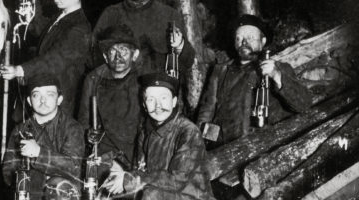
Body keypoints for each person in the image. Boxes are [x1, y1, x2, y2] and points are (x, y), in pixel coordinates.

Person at [196, 15, 313, 148]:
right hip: (225, 150)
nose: (244, 42)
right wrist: (210, 143)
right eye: (239, 38)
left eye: (250, 37)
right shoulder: (220, 72)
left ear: (263, 41)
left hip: (263, 149)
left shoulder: (278, 68)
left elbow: (304, 104)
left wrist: (276, 75)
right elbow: (205, 115)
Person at [101, 73, 214, 200]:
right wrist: (119, 171)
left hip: (191, 196)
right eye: (151, 99)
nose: (158, 105)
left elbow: (178, 180)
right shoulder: (145, 131)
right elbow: (139, 169)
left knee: (149, 194)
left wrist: (129, 178)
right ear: (144, 105)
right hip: (160, 194)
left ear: (174, 102)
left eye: (163, 98)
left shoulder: (188, 131)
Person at [0, 0, 92, 118]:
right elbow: (44, 33)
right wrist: (31, 12)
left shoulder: (80, 27)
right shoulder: (61, 16)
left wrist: (20, 70)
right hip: (44, 94)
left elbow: (56, 59)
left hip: (58, 100)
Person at [2, 73, 85, 200]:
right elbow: (8, 171)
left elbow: (73, 167)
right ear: (29, 101)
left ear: (59, 99)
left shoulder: (72, 128)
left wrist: (38, 153)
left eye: (50, 94)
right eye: (36, 95)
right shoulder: (19, 130)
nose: (43, 100)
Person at [78, 24, 143, 175]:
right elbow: (83, 121)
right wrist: (88, 134)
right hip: (104, 153)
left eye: (124, 51)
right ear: (105, 56)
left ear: (134, 55)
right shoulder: (93, 79)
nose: (118, 57)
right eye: (113, 51)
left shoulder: (143, 81)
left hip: (135, 153)